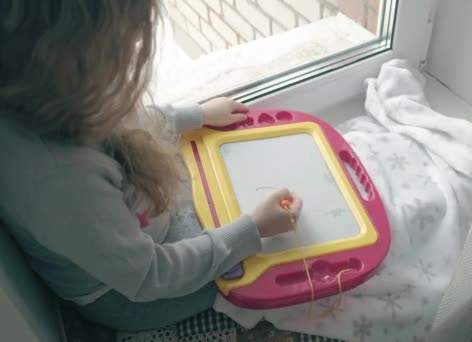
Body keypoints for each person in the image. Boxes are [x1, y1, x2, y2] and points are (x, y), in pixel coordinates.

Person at [0, 0, 302, 331]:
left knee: (228, 211)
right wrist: (254, 229)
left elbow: (127, 119)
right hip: (124, 296)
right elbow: (151, 276)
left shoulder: (51, 96)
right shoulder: (55, 181)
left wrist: (196, 115)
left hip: (139, 239)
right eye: (124, 50)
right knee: (267, 265)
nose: (133, 54)